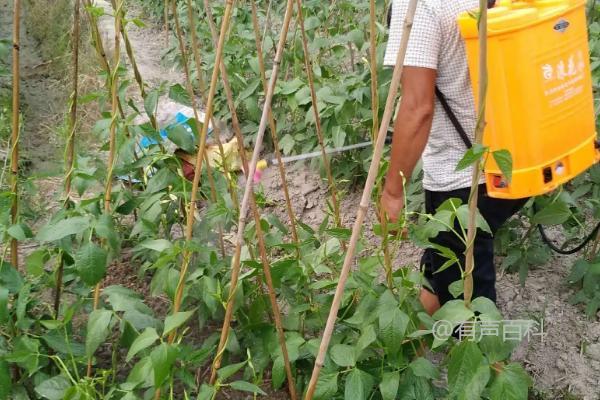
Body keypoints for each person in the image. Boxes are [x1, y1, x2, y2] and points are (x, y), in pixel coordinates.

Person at [380, 0, 528, 315]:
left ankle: (484, 360)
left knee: (468, 304)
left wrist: (393, 193)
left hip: (463, 183)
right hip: (517, 161)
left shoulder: (418, 8)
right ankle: (412, 345)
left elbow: (417, 108)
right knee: (442, 260)